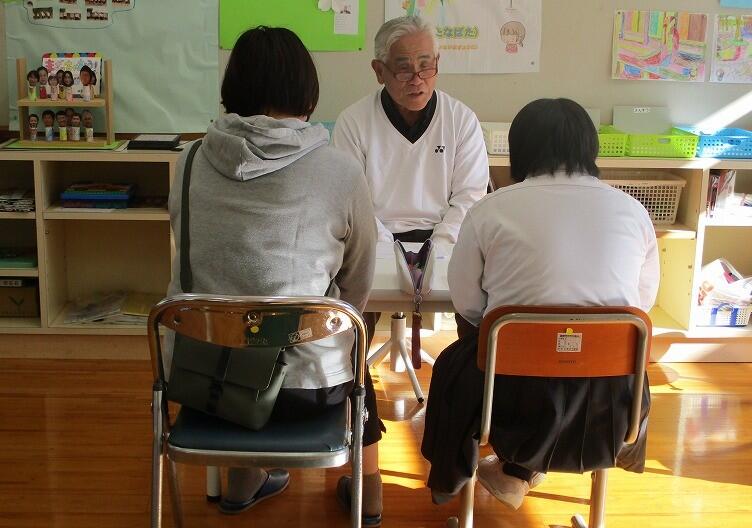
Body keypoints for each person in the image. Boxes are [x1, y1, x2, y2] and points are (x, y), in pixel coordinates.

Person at [165, 26, 384, 526]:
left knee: (239, 323)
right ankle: (368, 493)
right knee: (348, 343)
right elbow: (357, 284)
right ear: (307, 93)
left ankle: (243, 479)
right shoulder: (340, 172)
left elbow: (195, 255)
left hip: (204, 380)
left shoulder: (189, 162)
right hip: (311, 390)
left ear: (232, 90)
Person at [421, 98, 659, 510]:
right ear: (590, 148)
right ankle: (520, 473)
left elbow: (467, 301)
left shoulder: (490, 209)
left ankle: (465, 473)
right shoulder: (632, 211)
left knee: (473, 343)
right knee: (589, 345)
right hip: (609, 400)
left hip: (510, 396)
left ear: (520, 149)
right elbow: (641, 303)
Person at [332, 15, 489, 343]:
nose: (417, 80)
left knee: (477, 322)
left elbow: (470, 197)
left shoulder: (461, 119)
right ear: (379, 71)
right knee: (350, 325)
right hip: (374, 242)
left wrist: (438, 248)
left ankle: (461, 375)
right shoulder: (354, 122)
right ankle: (357, 377)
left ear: (437, 64)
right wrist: (388, 250)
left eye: (426, 66)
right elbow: (352, 203)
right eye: (404, 69)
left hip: (446, 242)